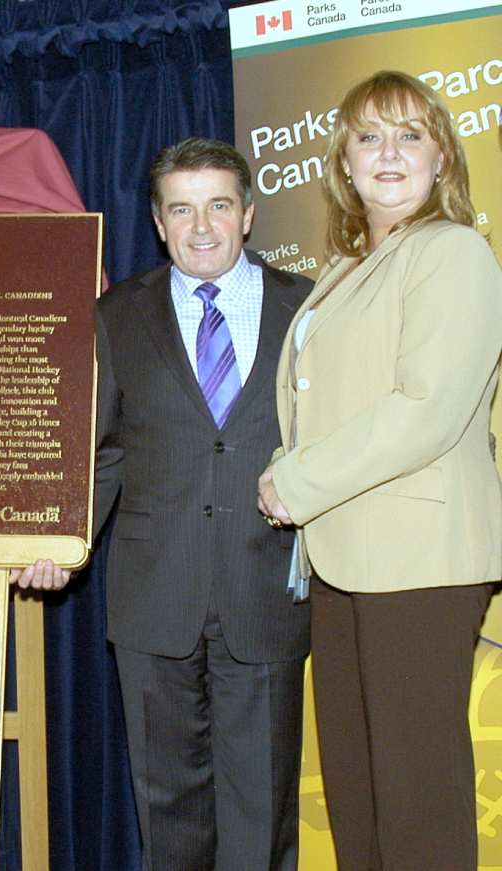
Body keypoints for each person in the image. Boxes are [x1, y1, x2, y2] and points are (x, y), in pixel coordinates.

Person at [258, 70, 502, 870]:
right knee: (359, 796)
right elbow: (332, 402)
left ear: (442, 158)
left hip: (419, 560)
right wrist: (287, 466)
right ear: (344, 161)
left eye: (409, 134)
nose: (388, 153)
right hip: (345, 557)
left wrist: (295, 480)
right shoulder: (349, 267)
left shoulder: (455, 252)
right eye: (369, 136)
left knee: (416, 803)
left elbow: (425, 409)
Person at [96, 137, 312, 870]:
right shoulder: (115, 314)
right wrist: (44, 540)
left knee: (263, 816)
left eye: (218, 205)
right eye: (181, 209)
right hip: (153, 598)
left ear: (248, 213)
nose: (202, 226)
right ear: (158, 223)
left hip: (267, 593)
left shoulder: (308, 307)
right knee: (168, 817)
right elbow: (98, 453)